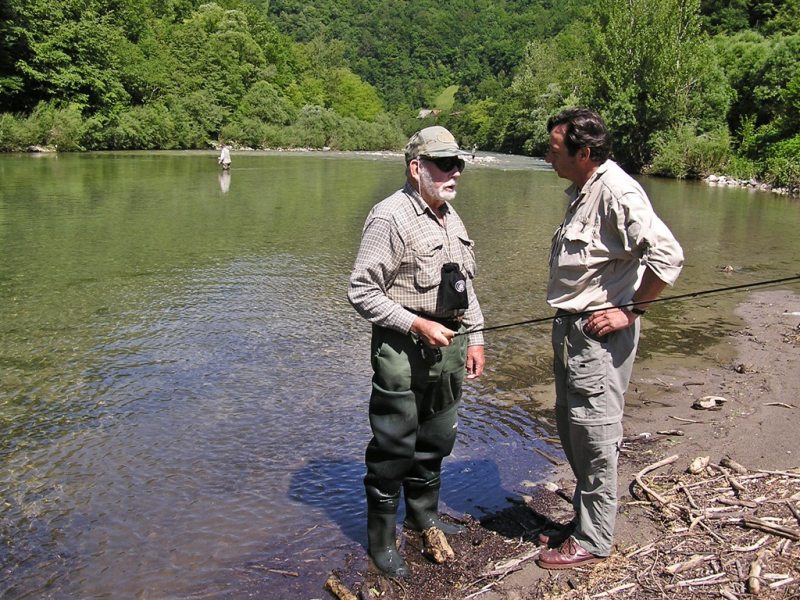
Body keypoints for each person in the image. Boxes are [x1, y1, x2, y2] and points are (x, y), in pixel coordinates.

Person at [536, 108, 684, 570]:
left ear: (584, 153)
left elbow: (668, 256)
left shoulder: (617, 191)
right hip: (574, 333)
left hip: (598, 338)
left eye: (555, 150)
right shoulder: (584, 189)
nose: (547, 157)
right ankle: (588, 519)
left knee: (595, 433)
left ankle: (595, 539)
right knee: (572, 427)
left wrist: (631, 309)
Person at [348, 126, 486, 579]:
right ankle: (381, 541)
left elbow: (465, 287)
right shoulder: (388, 217)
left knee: (436, 440)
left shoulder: (453, 217)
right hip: (402, 349)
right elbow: (361, 290)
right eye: (445, 164)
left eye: (458, 164)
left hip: (451, 348)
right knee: (393, 446)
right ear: (416, 168)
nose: (455, 173)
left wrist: (478, 336)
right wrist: (416, 324)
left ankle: (424, 517)